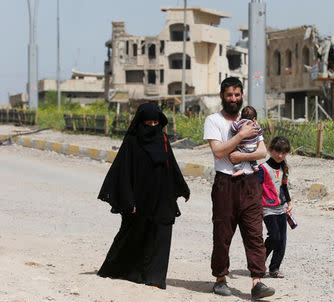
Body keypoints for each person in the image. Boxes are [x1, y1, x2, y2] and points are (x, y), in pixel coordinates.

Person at [97, 102, 190, 289]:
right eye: (148, 123)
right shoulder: (132, 141)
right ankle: (120, 269)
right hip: (139, 199)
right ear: (140, 122)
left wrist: (182, 188)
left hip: (163, 197)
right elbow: (122, 173)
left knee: (162, 234)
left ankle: (156, 278)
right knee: (133, 235)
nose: (152, 127)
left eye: (155, 123)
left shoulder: (163, 140)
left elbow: (171, 166)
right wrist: (128, 200)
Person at [203, 77, 275, 299]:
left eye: (236, 95)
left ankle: (257, 281)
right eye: (229, 95)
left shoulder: (250, 120)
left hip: (251, 183)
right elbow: (219, 152)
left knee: (254, 232)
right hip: (225, 183)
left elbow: (263, 152)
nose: (233, 99)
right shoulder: (213, 120)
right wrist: (242, 136)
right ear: (222, 96)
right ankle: (220, 278)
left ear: (242, 95)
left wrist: (242, 155)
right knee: (223, 233)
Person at [255, 136, 293, 279]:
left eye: (284, 153)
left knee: (282, 240)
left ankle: (274, 268)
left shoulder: (284, 167)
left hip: (281, 208)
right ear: (270, 150)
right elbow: (256, 189)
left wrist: (289, 202)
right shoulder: (262, 169)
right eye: (277, 152)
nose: (280, 155)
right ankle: (258, 263)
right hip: (267, 208)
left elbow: (284, 186)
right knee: (275, 237)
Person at [230, 105, 263, 177]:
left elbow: (232, 129)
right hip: (253, 148)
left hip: (243, 148)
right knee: (251, 155)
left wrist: (237, 120)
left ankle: (238, 169)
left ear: (241, 116)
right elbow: (260, 132)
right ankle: (255, 166)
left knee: (233, 152)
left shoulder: (240, 122)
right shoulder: (255, 124)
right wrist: (256, 123)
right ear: (254, 118)